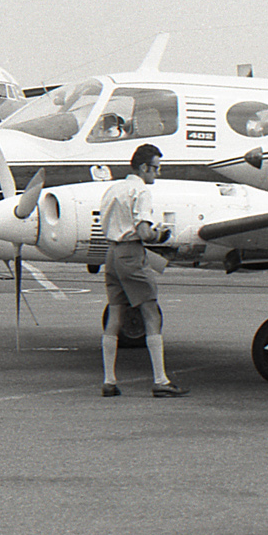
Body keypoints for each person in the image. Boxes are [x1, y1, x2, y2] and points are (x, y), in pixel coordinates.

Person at [98, 143, 187, 398]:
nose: (156, 174)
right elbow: (144, 232)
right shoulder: (141, 191)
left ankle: (109, 380)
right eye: (155, 169)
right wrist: (161, 235)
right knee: (151, 313)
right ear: (145, 167)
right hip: (131, 253)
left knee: (115, 316)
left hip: (112, 253)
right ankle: (160, 380)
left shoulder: (114, 188)